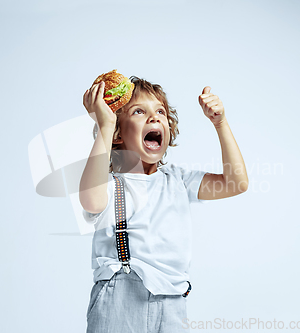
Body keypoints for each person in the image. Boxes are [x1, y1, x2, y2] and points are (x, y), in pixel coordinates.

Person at [79, 75, 248, 333]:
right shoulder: (109, 185)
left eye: (160, 111)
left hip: (173, 302)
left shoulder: (179, 180)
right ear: (117, 134)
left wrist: (220, 123)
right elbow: (91, 200)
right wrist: (104, 125)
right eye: (138, 111)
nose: (154, 117)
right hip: (120, 299)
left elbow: (236, 183)